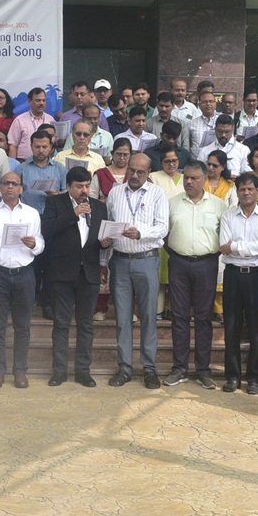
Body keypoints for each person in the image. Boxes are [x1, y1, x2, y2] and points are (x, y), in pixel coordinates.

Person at [101, 153, 168, 389]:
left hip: (146, 259)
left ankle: (149, 368)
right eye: (132, 170)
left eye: (141, 172)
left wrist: (140, 233)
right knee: (122, 317)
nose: (135, 175)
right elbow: (108, 223)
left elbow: (162, 227)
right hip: (119, 260)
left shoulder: (158, 194)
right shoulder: (115, 193)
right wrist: (105, 243)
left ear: (149, 173)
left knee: (149, 316)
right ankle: (125, 367)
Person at [0, 171, 44, 388]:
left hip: (24, 274)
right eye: (6, 183)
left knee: (23, 326)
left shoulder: (32, 214)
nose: (10, 187)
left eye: (14, 184)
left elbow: (41, 244)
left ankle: (20, 371)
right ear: (0, 187)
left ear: (21, 188)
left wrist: (34, 245)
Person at [42, 167, 108, 387]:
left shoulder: (98, 207)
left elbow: (100, 237)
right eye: (79, 186)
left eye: (87, 186)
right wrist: (74, 213)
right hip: (62, 272)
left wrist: (105, 242)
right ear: (69, 186)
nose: (84, 190)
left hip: (88, 272)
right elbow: (48, 229)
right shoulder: (55, 203)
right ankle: (59, 370)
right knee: (61, 324)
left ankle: (83, 371)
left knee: (86, 325)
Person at [163, 164, 227, 388]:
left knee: (203, 318)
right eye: (186, 178)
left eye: (194, 178)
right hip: (178, 262)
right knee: (179, 317)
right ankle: (179, 368)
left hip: (207, 264)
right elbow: (164, 234)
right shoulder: (172, 203)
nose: (189, 182)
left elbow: (224, 236)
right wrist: (178, 252)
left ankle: (203, 370)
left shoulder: (219, 205)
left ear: (204, 179)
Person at [218, 173, 258, 394]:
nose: (246, 192)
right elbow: (224, 244)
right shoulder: (228, 215)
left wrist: (236, 247)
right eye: (242, 189)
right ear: (237, 191)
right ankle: (232, 377)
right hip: (232, 275)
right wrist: (254, 249)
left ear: (257, 191)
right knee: (231, 326)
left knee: (255, 328)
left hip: (257, 277)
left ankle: (254, 379)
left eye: (251, 189)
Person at [7, 87, 54, 160]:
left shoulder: (51, 120)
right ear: (29, 101)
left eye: (44, 100)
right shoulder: (19, 120)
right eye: (38, 100)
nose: (41, 103)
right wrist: (13, 166)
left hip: (46, 163)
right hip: (23, 162)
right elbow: (13, 145)